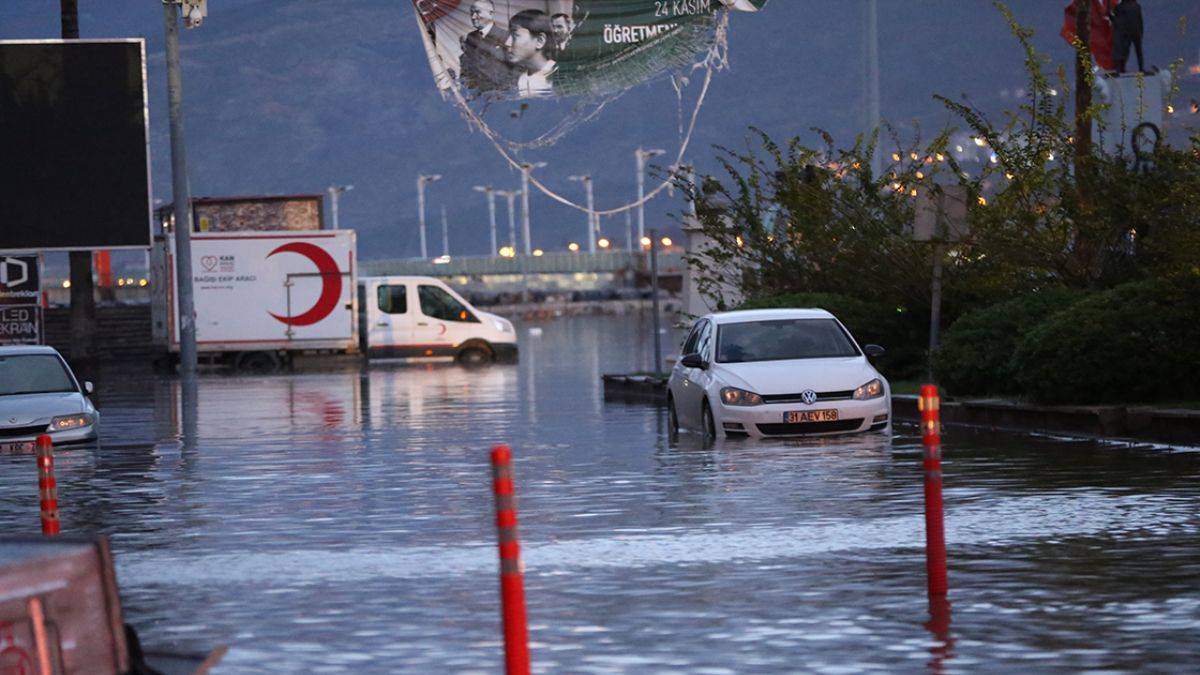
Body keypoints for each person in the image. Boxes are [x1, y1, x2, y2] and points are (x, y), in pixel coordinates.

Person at [459, 0, 514, 93]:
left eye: (477, 12)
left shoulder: (506, 36)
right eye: (471, 13)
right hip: (477, 93)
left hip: (499, 93)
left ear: (490, 13)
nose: (473, 17)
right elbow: (468, 66)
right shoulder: (471, 37)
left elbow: (515, 70)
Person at [505, 9, 557, 98]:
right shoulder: (519, 80)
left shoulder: (558, 74)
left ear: (540, 41)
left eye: (515, 36)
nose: (507, 42)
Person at [1110, 0, 1144, 74]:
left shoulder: (1120, 7)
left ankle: (1121, 68)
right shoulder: (1137, 6)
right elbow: (1140, 20)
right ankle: (1141, 68)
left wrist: (1110, 15)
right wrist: (1141, 31)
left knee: (1124, 51)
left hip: (1127, 32)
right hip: (1136, 31)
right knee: (1138, 51)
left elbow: (1117, 21)